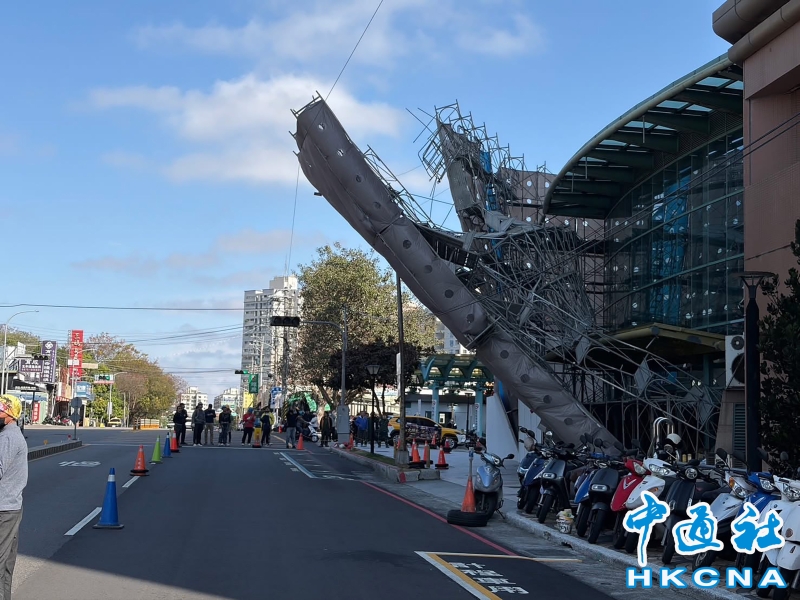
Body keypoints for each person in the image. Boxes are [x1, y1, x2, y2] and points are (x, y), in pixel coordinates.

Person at [0, 395, 27, 599]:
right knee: (6, 563)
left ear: (10, 414)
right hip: (11, 507)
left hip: (4, 510)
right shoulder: (11, 434)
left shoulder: (8, 437)